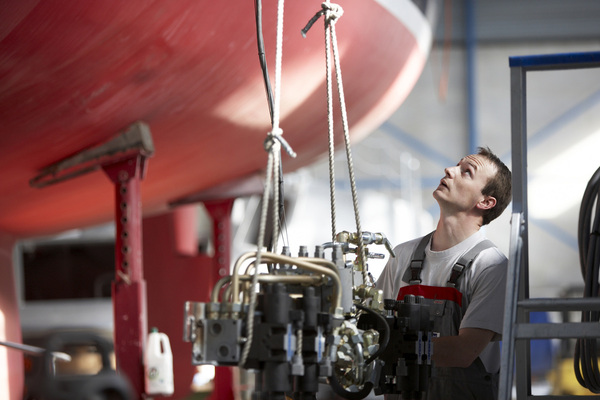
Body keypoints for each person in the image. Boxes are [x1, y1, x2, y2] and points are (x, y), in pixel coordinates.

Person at [376, 146, 512, 400]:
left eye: (466, 172)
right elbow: (371, 321)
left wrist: (391, 345)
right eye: (455, 166)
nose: (449, 170)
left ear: (485, 201)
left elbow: (463, 352)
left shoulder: (490, 265)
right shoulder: (402, 256)